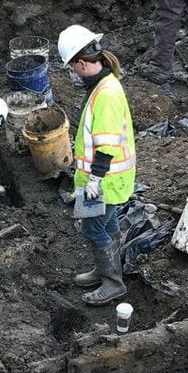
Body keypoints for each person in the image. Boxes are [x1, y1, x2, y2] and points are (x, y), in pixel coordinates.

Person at [58, 25, 137, 307]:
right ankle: (104, 271)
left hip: (103, 179)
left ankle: (113, 284)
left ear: (81, 63)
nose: (72, 73)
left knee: (93, 230)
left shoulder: (106, 94)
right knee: (109, 222)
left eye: (71, 67)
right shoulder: (103, 86)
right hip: (105, 178)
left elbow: (106, 143)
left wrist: (94, 180)